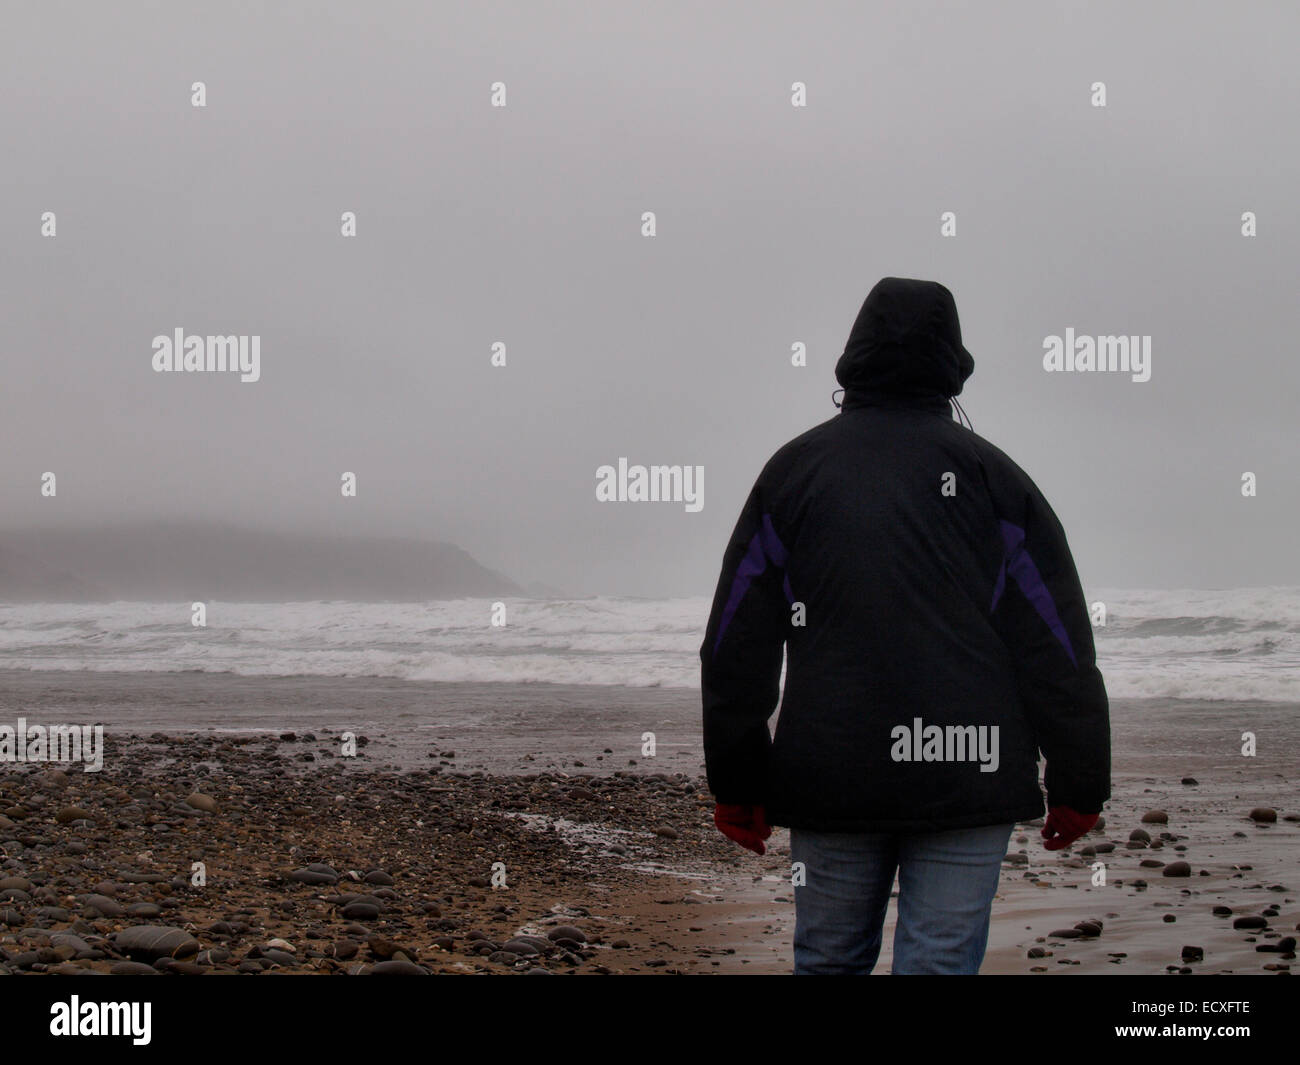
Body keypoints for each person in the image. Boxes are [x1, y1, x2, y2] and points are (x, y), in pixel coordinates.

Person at [700, 277, 1110, 975]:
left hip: (832, 770)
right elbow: (1057, 641)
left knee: (828, 958)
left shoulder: (793, 474)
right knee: (939, 962)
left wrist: (736, 779)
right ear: (955, 364)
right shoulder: (996, 479)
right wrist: (1079, 780)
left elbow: (736, 638)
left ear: (852, 355)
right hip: (967, 771)